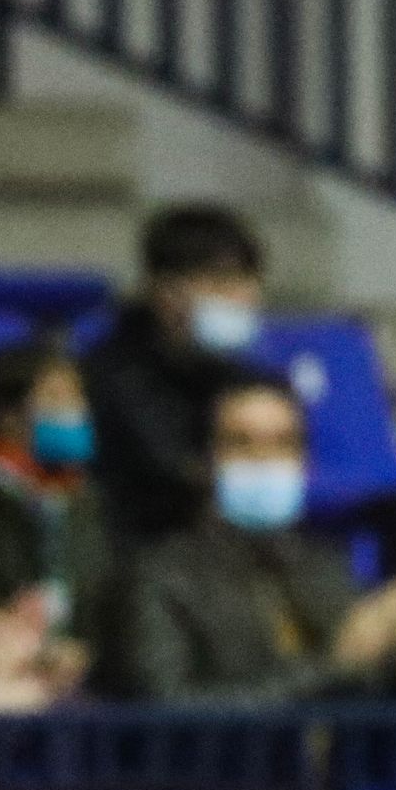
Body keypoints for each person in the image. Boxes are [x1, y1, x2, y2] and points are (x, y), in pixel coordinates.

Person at [124, 379, 396, 703]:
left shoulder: (324, 562)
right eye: (241, 442)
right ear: (203, 461)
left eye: (283, 443)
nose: (264, 459)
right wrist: (336, 666)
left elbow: (359, 688)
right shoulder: (163, 574)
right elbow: (171, 709)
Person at [83, 205, 267, 547]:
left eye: (246, 279)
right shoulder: (112, 374)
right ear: (165, 291)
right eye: (220, 281)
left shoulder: (242, 375)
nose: (240, 297)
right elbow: (176, 470)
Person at [0, 342, 107, 695]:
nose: (77, 413)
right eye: (57, 399)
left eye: (79, 399)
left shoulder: (85, 500)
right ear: (7, 413)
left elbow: (101, 593)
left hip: (79, 682)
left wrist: (87, 649)